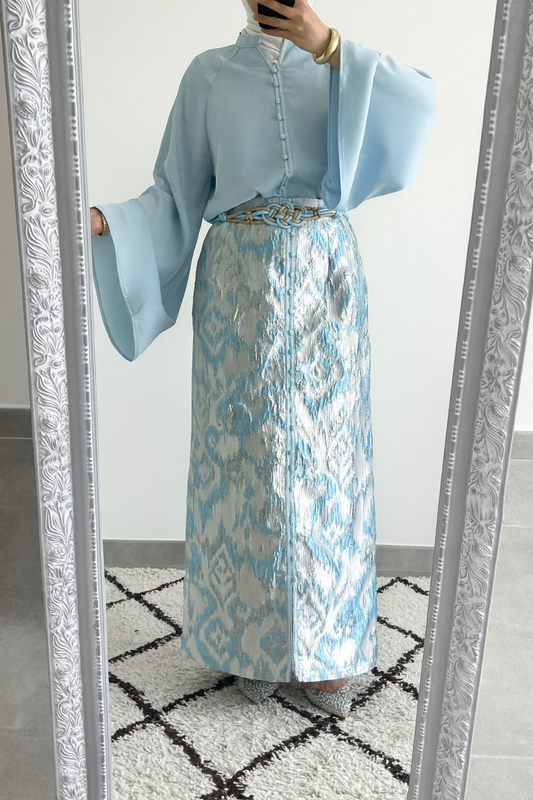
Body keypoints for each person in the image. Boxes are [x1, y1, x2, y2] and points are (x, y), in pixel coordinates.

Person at [90, 0, 435, 718]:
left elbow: (414, 109)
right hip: (237, 284)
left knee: (327, 460)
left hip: (324, 279)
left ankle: (328, 650)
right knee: (244, 457)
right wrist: (109, 223)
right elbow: (174, 195)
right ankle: (252, 643)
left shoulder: (344, 65)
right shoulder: (208, 75)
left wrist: (328, 44)